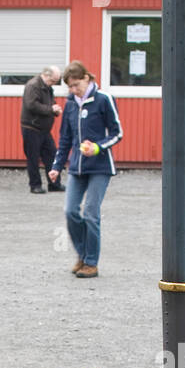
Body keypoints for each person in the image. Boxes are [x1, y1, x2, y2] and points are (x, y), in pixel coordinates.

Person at [48, 60, 123, 279]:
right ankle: (82, 254)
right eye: (70, 87)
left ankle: (91, 262)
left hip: (100, 167)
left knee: (91, 213)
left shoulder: (104, 100)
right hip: (77, 167)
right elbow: (65, 139)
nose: (73, 90)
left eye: (76, 85)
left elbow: (117, 133)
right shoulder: (71, 104)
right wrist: (56, 167)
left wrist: (98, 147)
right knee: (70, 211)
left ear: (87, 79)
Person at [20, 66, 63, 194]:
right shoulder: (32, 86)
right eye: (54, 80)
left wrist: (55, 110)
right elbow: (31, 105)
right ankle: (35, 185)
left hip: (43, 129)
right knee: (33, 158)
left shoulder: (48, 88)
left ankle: (54, 183)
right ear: (46, 75)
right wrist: (51, 110)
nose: (54, 83)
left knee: (51, 155)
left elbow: (49, 103)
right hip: (31, 127)